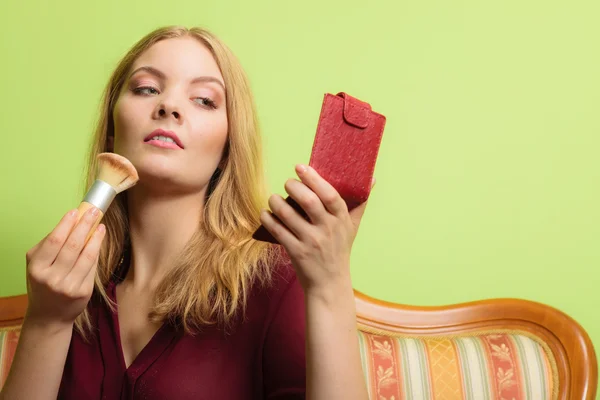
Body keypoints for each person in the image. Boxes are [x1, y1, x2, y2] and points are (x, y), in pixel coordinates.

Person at [1, 25, 372, 400]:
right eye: (146, 89)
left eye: (204, 100)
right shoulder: (68, 288)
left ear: (228, 147)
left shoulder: (276, 281)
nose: (169, 106)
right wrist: (46, 321)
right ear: (112, 131)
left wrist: (329, 287)